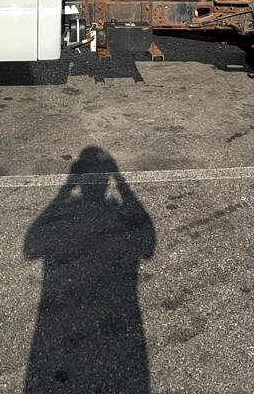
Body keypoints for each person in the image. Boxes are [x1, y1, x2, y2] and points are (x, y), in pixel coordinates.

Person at [23, 147, 155, 393]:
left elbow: (31, 246)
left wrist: (64, 192)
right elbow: (147, 246)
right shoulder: (112, 212)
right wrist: (121, 183)